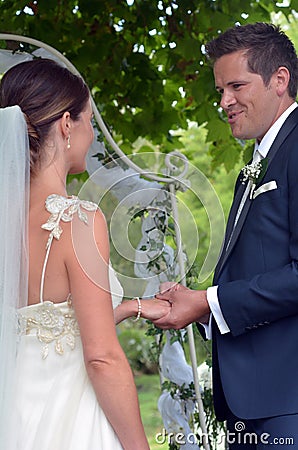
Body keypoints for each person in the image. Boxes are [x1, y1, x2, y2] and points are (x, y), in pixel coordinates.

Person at [0, 58, 171, 450]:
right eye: (88, 120)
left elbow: (40, 321)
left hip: (12, 415)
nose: (92, 134)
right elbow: (101, 358)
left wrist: (132, 307)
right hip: (67, 418)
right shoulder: (78, 220)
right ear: (65, 123)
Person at [154, 22, 298, 448]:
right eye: (221, 89)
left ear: (280, 80)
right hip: (254, 400)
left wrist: (207, 301)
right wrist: (201, 305)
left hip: (287, 400)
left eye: (236, 85)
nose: (224, 101)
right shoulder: (255, 164)